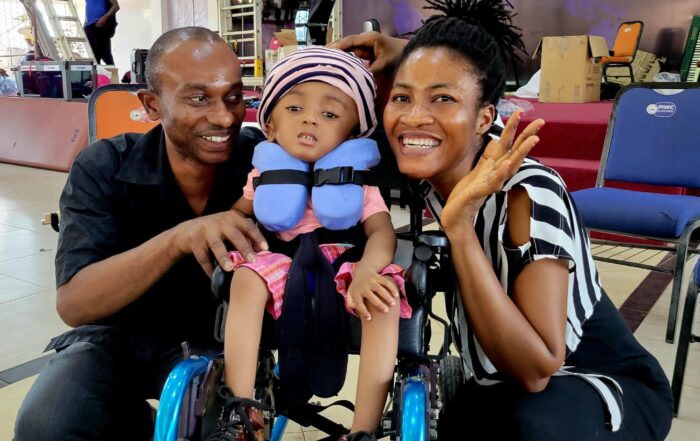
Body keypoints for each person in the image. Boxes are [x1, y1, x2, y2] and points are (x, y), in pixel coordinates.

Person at [332, 0, 674, 439]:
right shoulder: (430, 163)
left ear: (485, 119)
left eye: (442, 98)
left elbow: (537, 370)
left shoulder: (527, 194)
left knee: (532, 428)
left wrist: (459, 229)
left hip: (593, 381)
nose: (414, 117)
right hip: (500, 385)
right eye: (402, 97)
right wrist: (406, 50)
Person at [14, 27, 269, 441]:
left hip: (217, 342)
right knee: (46, 424)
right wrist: (179, 238)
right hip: (112, 339)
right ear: (152, 104)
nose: (224, 117)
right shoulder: (104, 167)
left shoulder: (260, 163)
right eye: (198, 98)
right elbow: (75, 304)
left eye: (235, 97)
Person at [211, 47, 410, 441]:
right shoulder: (264, 174)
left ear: (352, 133)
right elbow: (236, 215)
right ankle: (242, 411)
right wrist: (219, 225)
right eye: (295, 109)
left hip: (346, 263)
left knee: (383, 297)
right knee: (246, 280)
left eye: (330, 114)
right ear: (270, 127)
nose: (311, 120)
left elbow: (382, 232)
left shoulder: (357, 181)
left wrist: (369, 270)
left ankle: (363, 429)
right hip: (281, 262)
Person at [84, 0, 119, 65]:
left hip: (101, 26)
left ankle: (113, 74)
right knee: (94, 58)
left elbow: (116, 6)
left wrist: (104, 18)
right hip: (89, 27)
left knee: (106, 55)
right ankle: (97, 74)